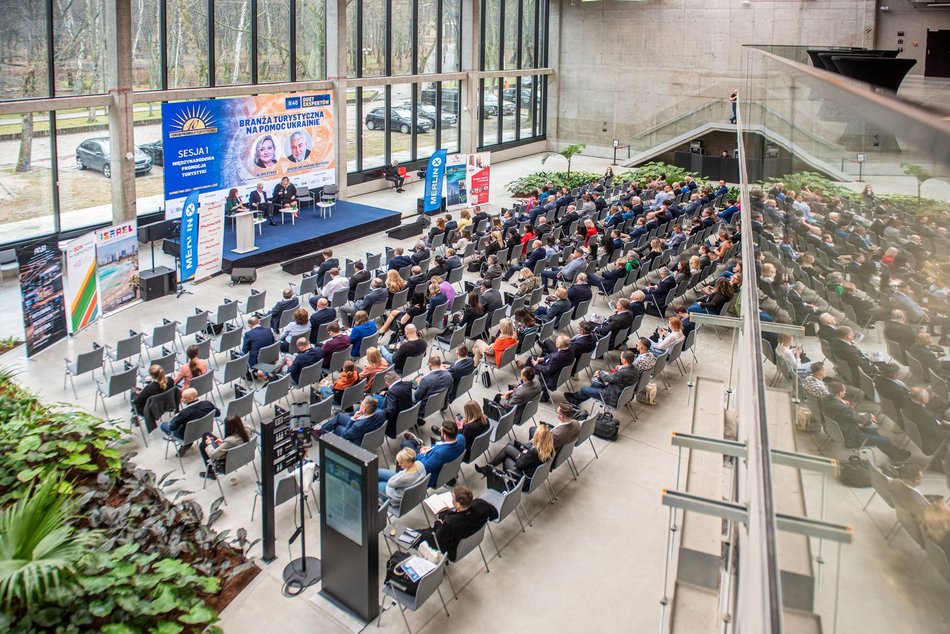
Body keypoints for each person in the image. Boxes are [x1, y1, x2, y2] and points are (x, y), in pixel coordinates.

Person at [820, 381, 910, 461]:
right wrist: (868, 415)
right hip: (851, 437)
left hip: (843, 429)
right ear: (840, 393)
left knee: (874, 431)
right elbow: (858, 419)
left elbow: (848, 415)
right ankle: (896, 457)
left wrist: (842, 402)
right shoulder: (840, 408)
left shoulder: (826, 401)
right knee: (884, 440)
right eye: (844, 391)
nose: (845, 392)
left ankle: (895, 452)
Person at [413, 485, 498, 560]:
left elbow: (438, 536)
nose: (452, 499)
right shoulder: (481, 504)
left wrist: (439, 522)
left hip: (452, 549)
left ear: (457, 504)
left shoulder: (451, 523)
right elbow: (495, 514)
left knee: (415, 535)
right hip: (469, 541)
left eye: (453, 498)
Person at [476, 425, 555, 487]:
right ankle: (488, 468)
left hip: (524, 480)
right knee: (509, 447)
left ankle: (505, 481)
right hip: (532, 473)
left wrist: (524, 453)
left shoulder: (534, 451)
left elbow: (519, 464)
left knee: (507, 457)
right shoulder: (549, 450)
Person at [404, 420, 466, 488]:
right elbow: (442, 444)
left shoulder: (440, 454)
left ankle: (416, 442)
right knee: (412, 446)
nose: (439, 431)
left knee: (405, 445)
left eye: (441, 431)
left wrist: (420, 455)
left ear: (445, 437)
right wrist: (430, 448)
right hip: (445, 466)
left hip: (433, 475)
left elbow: (425, 466)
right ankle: (416, 443)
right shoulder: (461, 438)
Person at [566, 350, 639, 407]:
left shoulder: (621, 373)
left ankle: (575, 398)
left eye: (621, 357)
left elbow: (607, 379)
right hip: (620, 392)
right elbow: (617, 378)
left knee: (583, 389)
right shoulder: (635, 369)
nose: (620, 358)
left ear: (625, 360)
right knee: (595, 384)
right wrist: (620, 368)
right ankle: (576, 399)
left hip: (611, 396)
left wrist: (600, 372)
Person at [161, 388, 220, 454]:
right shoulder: (207, 404)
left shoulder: (183, 413)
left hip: (186, 436)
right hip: (205, 430)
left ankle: (186, 443)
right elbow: (218, 413)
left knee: (164, 425)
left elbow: (172, 427)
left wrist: (176, 417)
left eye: (183, 398)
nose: (181, 399)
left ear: (191, 398)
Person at [522, 334, 575, 400]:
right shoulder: (569, 349)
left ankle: (525, 381)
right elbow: (555, 353)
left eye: (557, 341)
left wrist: (536, 365)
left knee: (531, 359)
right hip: (559, 372)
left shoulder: (557, 358)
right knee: (534, 358)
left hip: (550, 376)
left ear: (559, 346)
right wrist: (543, 358)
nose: (555, 341)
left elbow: (547, 370)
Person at [198, 415, 251, 480]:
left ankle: (210, 472)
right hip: (243, 457)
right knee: (206, 435)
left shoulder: (229, 441)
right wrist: (223, 443)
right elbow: (235, 443)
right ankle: (210, 472)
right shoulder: (248, 431)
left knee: (203, 443)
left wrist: (209, 444)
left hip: (225, 464)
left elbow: (212, 455)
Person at [378, 448, 427, 512]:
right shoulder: (419, 464)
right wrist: (401, 474)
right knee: (378, 472)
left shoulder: (405, 478)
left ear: (409, 462)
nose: (399, 464)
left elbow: (390, 483)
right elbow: (402, 475)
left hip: (394, 498)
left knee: (377, 483)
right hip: (409, 488)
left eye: (401, 462)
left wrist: (400, 474)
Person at [320, 396, 386, 444]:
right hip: (369, 433)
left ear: (364, 410)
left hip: (358, 439)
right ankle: (322, 430)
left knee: (338, 427)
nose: (360, 405)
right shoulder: (381, 413)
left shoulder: (357, 426)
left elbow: (345, 435)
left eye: (361, 404)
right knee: (340, 416)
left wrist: (353, 419)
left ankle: (322, 433)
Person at [381, 371, 415, 436]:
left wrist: (380, 414)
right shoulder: (408, 384)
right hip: (407, 410)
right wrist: (387, 392)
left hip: (396, 421)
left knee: (378, 401)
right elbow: (399, 390)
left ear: (388, 382)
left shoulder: (392, 393)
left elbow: (390, 411)